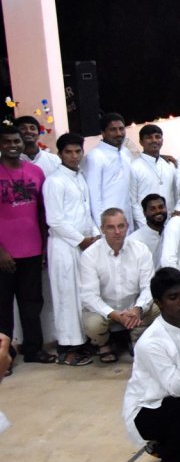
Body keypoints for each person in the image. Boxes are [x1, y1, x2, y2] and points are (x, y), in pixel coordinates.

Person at [121, 267, 180, 462]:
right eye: (173, 297)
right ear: (158, 303)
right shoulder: (151, 342)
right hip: (146, 411)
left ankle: (172, 446)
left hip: (172, 403)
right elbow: (175, 389)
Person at [43, 132, 98, 366]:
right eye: (69, 152)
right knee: (67, 297)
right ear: (60, 154)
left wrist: (95, 235)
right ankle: (68, 349)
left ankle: (82, 342)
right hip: (64, 247)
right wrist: (81, 240)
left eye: (78, 151)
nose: (74, 156)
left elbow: (87, 211)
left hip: (84, 244)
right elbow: (55, 220)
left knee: (81, 295)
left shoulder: (80, 177)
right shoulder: (54, 181)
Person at [80, 208, 157, 363]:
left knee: (159, 308)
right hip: (105, 312)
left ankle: (136, 335)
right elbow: (89, 296)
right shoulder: (90, 255)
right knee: (92, 324)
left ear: (127, 227)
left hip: (133, 309)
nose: (117, 232)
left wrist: (137, 309)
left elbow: (149, 287)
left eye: (121, 226)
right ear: (102, 229)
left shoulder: (140, 250)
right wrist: (115, 315)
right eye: (111, 227)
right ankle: (103, 344)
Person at [82, 113, 132, 226]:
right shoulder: (95, 156)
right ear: (103, 133)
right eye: (113, 130)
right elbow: (94, 196)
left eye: (121, 129)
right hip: (108, 223)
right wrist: (102, 228)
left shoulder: (125, 152)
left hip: (127, 219)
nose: (119, 133)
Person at [129, 124, 177, 229]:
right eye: (149, 137)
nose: (154, 140)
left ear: (162, 140)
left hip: (171, 223)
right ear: (141, 142)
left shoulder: (169, 165)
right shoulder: (134, 167)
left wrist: (175, 220)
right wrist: (145, 226)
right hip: (147, 225)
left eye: (157, 137)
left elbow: (176, 194)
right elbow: (133, 202)